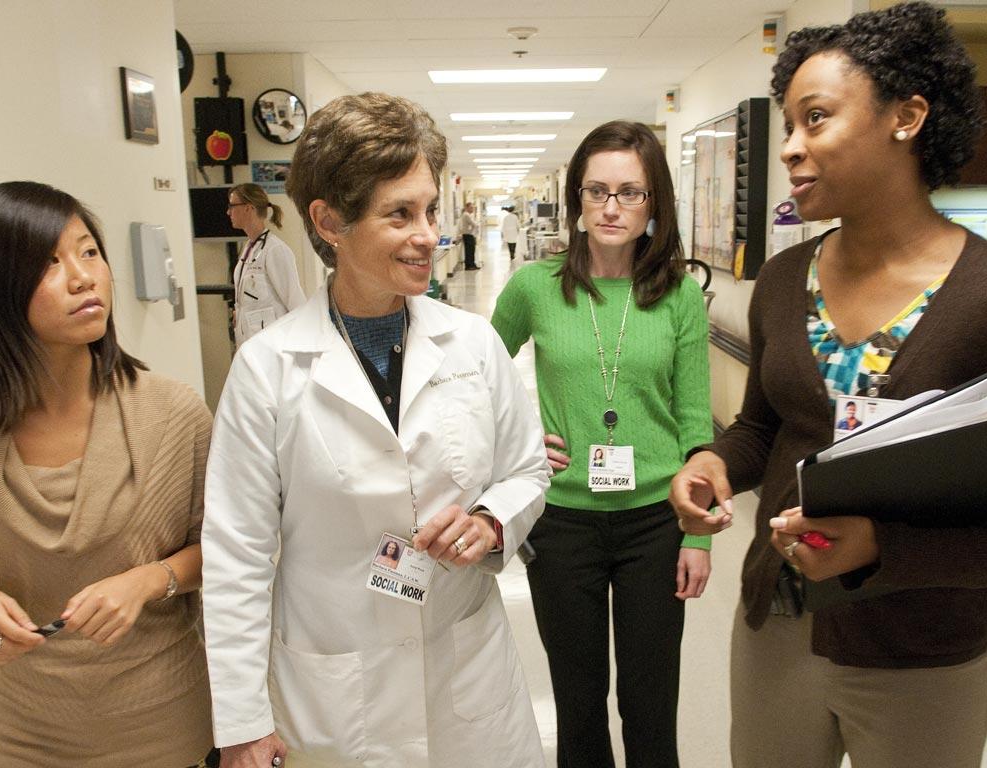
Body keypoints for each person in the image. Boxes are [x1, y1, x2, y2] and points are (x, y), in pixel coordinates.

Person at [669, 5, 987, 767]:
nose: (791, 149)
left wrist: (885, 549)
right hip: (778, 622)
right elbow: (767, 429)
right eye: (788, 126)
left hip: (922, 653)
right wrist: (716, 464)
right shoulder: (783, 281)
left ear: (907, 118)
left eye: (815, 120)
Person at [202, 92, 550, 768]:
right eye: (400, 214)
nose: (430, 234)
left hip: (464, 670)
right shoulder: (268, 370)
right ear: (329, 222)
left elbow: (528, 469)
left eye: (429, 210)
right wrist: (242, 721)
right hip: (336, 683)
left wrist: (490, 521)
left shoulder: (473, 346)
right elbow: (237, 553)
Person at [0, 181, 214, 767]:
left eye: (88, 251)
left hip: (169, 726)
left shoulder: (173, 412)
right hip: (32, 738)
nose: (84, 277)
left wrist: (148, 580)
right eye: (49, 264)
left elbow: (225, 549)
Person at [491, 120, 713, 768]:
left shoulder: (679, 296)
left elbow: (696, 424)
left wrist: (696, 535)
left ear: (655, 204)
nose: (612, 207)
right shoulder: (535, 287)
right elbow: (469, 379)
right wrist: (519, 439)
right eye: (597, 191)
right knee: (578, 704)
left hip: (655, 525)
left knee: (649, 706)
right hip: (560, 524)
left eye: (631, 192)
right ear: (577, 201)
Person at [228, 182, 305, 347]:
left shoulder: (275, 250)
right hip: (251, 345)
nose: (228, 212)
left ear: (249, 208)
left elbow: (295, 301)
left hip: (273, 347)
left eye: (232, 206)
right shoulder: (249, 248)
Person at [459, 200, 479, 270]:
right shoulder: (466, 215)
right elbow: (474, 224)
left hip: (469, 234)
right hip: (468, 235)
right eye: (471, 208)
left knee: (471, 250)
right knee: (469, 251)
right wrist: (476, 225)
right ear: (466, 208)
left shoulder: (468, 215)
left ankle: (472, 264)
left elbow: (474, 224)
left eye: (473, 208)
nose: (472, 209)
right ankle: (469, 266)